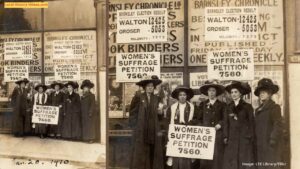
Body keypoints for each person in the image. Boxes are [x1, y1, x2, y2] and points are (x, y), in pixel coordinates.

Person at [129, 75, 165, 169]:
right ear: (145, 87)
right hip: (141, 129)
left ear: (154, 87)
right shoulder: (139, 97)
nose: (150, 88)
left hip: (153, 129)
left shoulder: (157, 99)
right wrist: (135, 127)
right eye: (148, 86)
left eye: (152, 86)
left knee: (152, 151)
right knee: (142, 151)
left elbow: (160, 116)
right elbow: (132, 112)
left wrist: (160, 113)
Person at [223, 81, 256, 169]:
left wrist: (250, 137)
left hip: (244, 139)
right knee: (232, 161)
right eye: (232, 92)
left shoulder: (247, 107)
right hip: (232, 139)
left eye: (236, 92)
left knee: (243, 160)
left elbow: (251, 123)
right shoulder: (228, 107)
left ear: (240, 93)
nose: (233, 94)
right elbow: (226, 123)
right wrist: (225, 136)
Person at [254, 78, 283, 169]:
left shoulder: (274, 107)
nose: (261, 94)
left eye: (264, 92)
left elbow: (278, 124)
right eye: (260, 93)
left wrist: (273, 139)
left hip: (270, 144)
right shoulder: (258, 110)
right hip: (260, 144)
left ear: (270, 94)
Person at [197, 79, 226, 169]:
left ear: (216, 92)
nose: (211, 93)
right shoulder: (203, 104)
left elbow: (225, 119)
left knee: (217, 158)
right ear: (207, 92)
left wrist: (220, 124)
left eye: (213, 90)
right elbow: (198, 119)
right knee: (205, 159)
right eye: (210, 91)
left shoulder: (222, 105)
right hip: (206, 136)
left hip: (218, 135)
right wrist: (202, 127)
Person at [165, 85, 196, 169]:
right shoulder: (172, 108)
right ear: (177, 97)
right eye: (180, 95)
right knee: (175, 156)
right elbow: (167, 122)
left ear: (187, 96)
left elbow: (196, 120)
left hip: (188, 134)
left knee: (187, 157)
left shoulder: (192, 107)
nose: (182, 97)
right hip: (175, 135)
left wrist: (190, 124)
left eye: (184, 95)